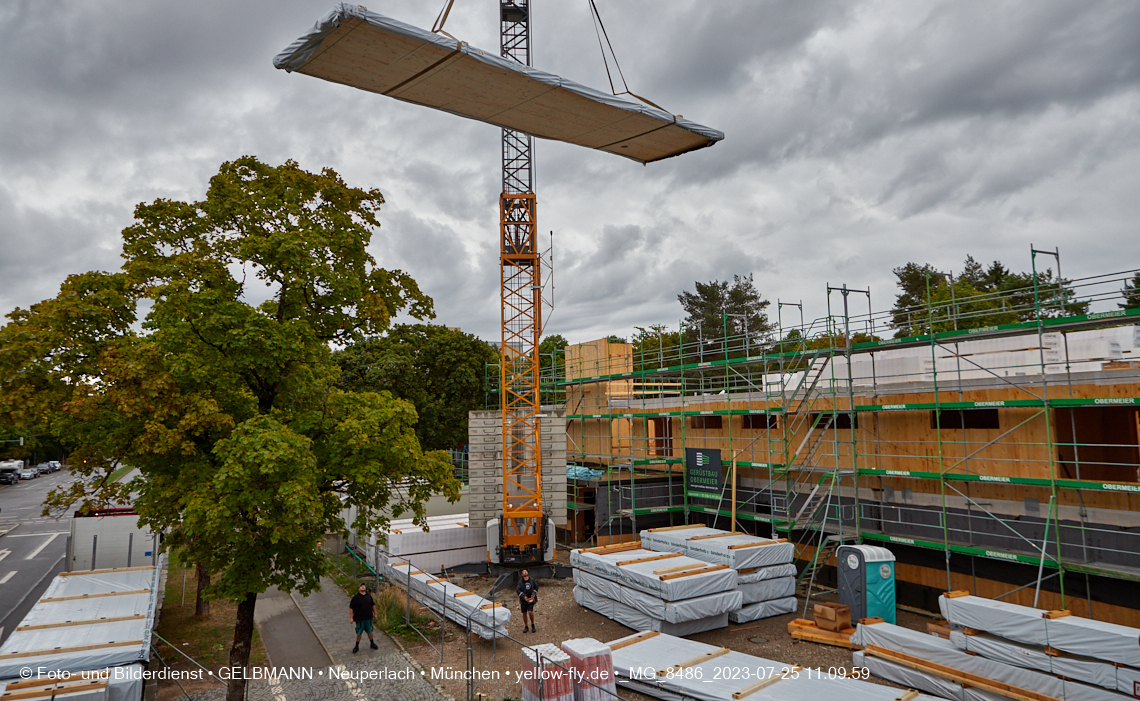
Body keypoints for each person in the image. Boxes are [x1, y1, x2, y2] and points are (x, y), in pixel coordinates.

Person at [349, 583, 379, 653]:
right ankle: (356, 646)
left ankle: (372, 643)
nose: (362, 587)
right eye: (361, 586)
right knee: (359, 633)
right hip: (359, 619)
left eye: (363, 586)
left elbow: (373, 605)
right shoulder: (355, 598)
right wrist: (351, 618)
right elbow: (351, 608)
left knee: (370, 631)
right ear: (359, 589)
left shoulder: (369, 596)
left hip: (368, 618)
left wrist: (375, 614)